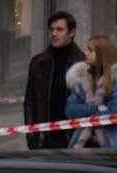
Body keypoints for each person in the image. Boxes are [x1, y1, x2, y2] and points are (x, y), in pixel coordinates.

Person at [65, 37, 117, 149]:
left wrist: (84, 114)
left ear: (102, 54)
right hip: (82, 148)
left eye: (90, 50)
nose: (86, 53)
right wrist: (95, 108)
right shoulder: (82, 79)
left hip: (113, 148)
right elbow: (70, 111)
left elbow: (113, 113)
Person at [23, 11, 85, 150]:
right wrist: (31, 136)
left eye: (59, 30)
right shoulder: (39, 63)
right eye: (51, 29)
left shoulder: (82, 63)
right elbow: (30, 103)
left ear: (71, 32)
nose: (54, 34)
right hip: (44, 139)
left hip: (74, 138)